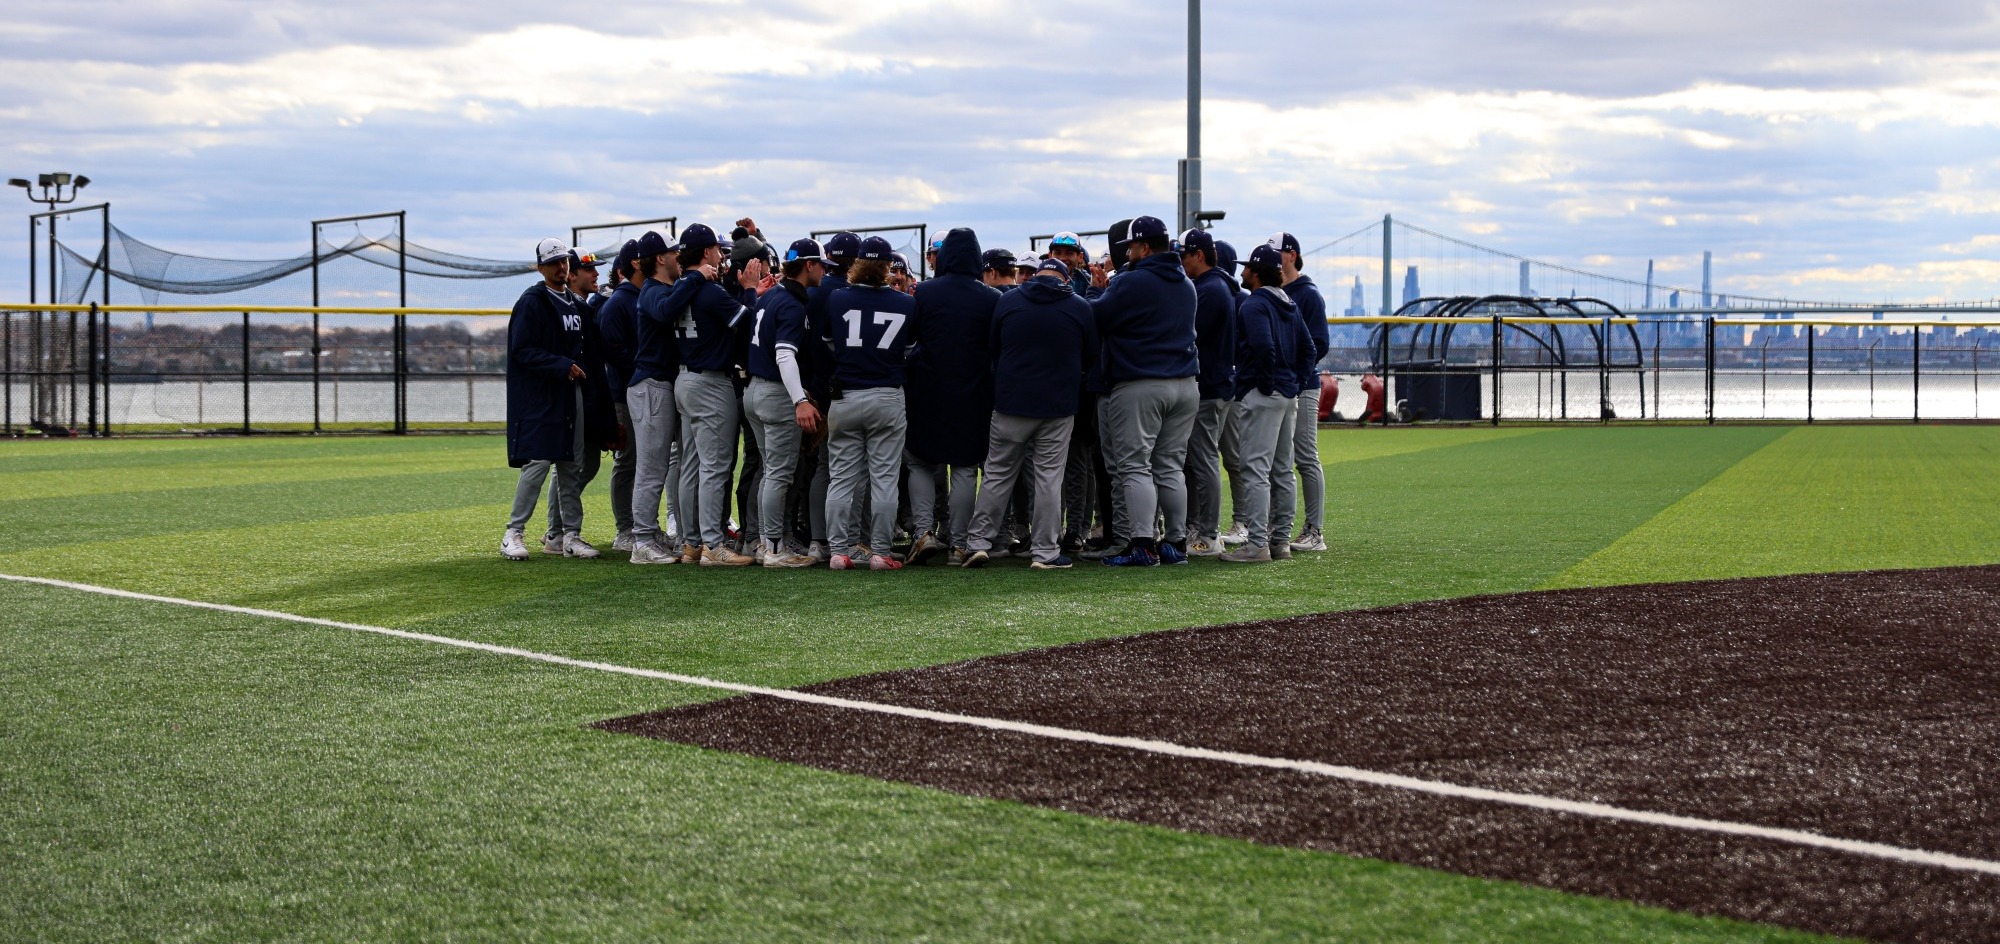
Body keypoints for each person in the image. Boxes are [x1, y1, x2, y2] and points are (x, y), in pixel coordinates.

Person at [963, 256, 1096, 570]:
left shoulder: (1009, 301)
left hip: (1011, 401)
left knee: (997, 475)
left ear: (1036, 276)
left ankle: (978, 543)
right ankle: (1045, 551)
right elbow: (1090, 356)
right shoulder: (1079, 306)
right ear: (1065, 279)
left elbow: (994, 348)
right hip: (1058, 405)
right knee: (1049, 479)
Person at [1090, 215, 1200, 567]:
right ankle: (1175, 543)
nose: (1129, 253)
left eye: (1133, 246)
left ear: (1146, 247)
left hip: (1141, 383)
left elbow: (1098, 318)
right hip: (1185, 385)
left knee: (1134, 466)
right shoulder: (1186, 283)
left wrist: (1095, 291)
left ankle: (1141, 545)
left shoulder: (1132, 282)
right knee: (1169, 466)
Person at [904, 227, 1000, 565]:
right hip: (973, 391)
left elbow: (911, 339)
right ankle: (960, 544)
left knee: (919, 461)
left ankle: (923, 533)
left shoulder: (924, 293)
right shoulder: (991, 298)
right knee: (964, 467)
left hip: (928, 389)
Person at [502, 238, 600, 561]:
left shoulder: (575, 304)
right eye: (554, 262)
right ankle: (513, 532)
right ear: (541, 268)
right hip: (541, 397)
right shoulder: (532, 301)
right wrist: (561, 366)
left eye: (564, 261)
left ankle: (569, 536)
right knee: (538, 462)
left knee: (572, 464)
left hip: (569, 395)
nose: (561, 267)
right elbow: (522, 350)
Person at [823, 236, 917, 571]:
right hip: (887, 395)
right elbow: (909, 351)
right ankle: (880, 551)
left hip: (846, 396)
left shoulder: (836, 298)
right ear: (888, 266)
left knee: (842, 479)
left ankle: (838, 551)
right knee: (884, 479)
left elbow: (830, 343)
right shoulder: (905, 302)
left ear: (857, 264)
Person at [669, 222, 760, 567]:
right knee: (714, 467)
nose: (722, 256)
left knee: (692, 465)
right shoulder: (707, 290)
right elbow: (749, 322)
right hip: (710, 383)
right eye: (718, 250)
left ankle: (691, 542)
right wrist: (750, 289)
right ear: (705, 252)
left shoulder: (682, 287)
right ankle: (712, 545)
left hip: (685, 378)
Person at [1222, 244, 1313, 563]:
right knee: (1282, 470)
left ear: (1257, 273)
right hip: (1287, 395)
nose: (1243, 271)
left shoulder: (1254, 304)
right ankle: (1280, 543)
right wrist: (1294, 384)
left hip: (1264, 394)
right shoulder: (1289, 301)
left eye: (1247, 267)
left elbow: (1263, 347)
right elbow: (1309, 350)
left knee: (1255, 468)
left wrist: (1263, 385)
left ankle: (1257, 544)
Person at [742, 238, 828, 568]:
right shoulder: (790, 302)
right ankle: (775, 549)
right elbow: (784, 354)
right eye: (821, 264)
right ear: (808, 265)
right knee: (778, 474)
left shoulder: (773, 295)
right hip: (776, 393)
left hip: (755, 390)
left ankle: (767, 542)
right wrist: (801, 399)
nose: (824, 271)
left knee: (769, 472)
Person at [626, 229, 694, 565]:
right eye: (673, 252)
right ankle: (641, 541)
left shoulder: (666, 287)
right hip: (650, 385)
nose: (678, 256)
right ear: (660, 259)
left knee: (662, 466)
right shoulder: (652, 290)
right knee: (651, 468)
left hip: (661, 384)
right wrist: (695, 279)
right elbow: (666, 312)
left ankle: (651, 535)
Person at [1179, 228, 1237, 557]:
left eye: (1185, 255)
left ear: (1199, 255)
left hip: (1210, 387)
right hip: (1216, 385)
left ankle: (1209, 534)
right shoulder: (1216, 284)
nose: (1182, 262)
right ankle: (1198, 527)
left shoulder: (1211, 288)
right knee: (1196, 461)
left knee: (1202, 462)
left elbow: (1190, 334)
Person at [1271, 232, 1330, 553]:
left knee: (1305, 457)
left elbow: (1319, 343)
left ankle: (1314, 531)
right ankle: (1272, 525)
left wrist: (1293, 370)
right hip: (1283, 385)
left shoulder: (1307, 294)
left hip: (1303, 385)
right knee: (1276, 459)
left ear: (1291, 255)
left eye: (1276, 253)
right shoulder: (1277, 291)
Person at [594, 241, 643, 551]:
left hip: (638, 391)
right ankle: (625, 529)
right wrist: (643, 367)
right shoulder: (616, 303)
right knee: (627, 462)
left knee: (642, 463)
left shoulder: (640, 297)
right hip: (623, 394)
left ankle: (638, 527)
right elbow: (613, 351)